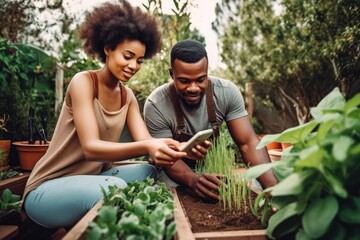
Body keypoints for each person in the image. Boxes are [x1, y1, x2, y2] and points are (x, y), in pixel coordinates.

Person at [22, 0, 186, 229]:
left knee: (147, 170)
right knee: (114, 186)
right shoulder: (84, 83)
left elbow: (147, 142)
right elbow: (91, 148)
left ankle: (93, 219)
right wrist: (149, 147)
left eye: (139, 60)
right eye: (127, 56)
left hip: (90, 180)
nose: (133, 66)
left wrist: (181, 147)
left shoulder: (126, 96)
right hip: (47, 190)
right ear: (108, 48)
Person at [144, 39, 278, 200]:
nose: (193, 88)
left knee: (253, 186)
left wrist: (272, 188)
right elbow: (167, 160)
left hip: (208, 167)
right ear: (172, 74)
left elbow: (248, 142)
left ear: (207, 72)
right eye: (184, 81)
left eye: (201, 80)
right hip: (171, 170)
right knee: (172, 195)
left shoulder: (226, 92)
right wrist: (192, 180)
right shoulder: (156, 104)